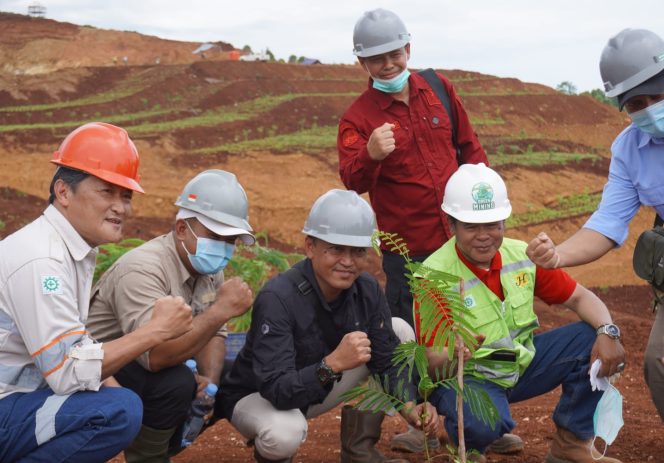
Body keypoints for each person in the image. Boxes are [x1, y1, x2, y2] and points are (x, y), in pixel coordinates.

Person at [337, 8, 522, 455]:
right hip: (411, 250)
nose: (388, 64)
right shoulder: (358, 118)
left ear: (408, 48)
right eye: (377, 58)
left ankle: (478, 418)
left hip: (459, 241)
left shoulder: (439, 89)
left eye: (395, 53)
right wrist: (371, 153)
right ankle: (423, 423)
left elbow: (470, 149)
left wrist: (485, 209)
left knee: (473, 327)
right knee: (419, 339)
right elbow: (351, 179)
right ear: (362, 63)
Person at [0, 122, 194, 462]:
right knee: (119, 411)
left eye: (126, 195)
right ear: (63, 192)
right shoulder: (41, 259)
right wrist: (156, 330)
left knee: (122, 392)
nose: (121, 207)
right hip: (8, 401)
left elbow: (75, 339)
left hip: (19, 396)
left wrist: (108, 382)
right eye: (107, 192)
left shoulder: (66, 248)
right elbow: (66, 372)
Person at [419, 163, 626, 463]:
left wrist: (608, 331)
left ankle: (571, 444)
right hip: (469, 377)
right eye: (471, 226)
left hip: (520, 365)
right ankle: (464, 442)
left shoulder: (522, 257)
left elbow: (581, 298)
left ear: (504, 221)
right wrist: (453, 354)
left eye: (492, 224)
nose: (484, 236)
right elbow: (431, 365)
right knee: (486, 423)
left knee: (587, 336)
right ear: (451, 225)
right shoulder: (433, 276)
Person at [218, 189, 438, 463]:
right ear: (310, 247)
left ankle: (359, 451)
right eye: (336, 249)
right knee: (284, 433)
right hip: (259, 397)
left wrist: (410, 408)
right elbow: (277, 390)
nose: (347, 261)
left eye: (357, 251)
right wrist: (332, 364)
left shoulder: (366, 288)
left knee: (399, 330)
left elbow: (387, 362)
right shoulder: (279, 298)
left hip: (314, 388)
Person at [526, 28, 664, 422]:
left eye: (658, 95)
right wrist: (557, 255)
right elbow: (607, 223)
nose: (651, 107)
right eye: (639, 102)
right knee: (659, 363)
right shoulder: (629, 149)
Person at [87, 169, 255, 462]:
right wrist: (221, 310)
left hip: (152, 362)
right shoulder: (143, 268)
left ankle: (169, 442)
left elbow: (214, 333)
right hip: (99, 368)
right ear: (181, 230)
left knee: (234, 375)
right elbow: (154, 357)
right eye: (216, 236)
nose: (225, 249)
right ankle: (147, 456)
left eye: (232, 241)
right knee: (175, 382)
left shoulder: (207, 268)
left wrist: (209, 386)